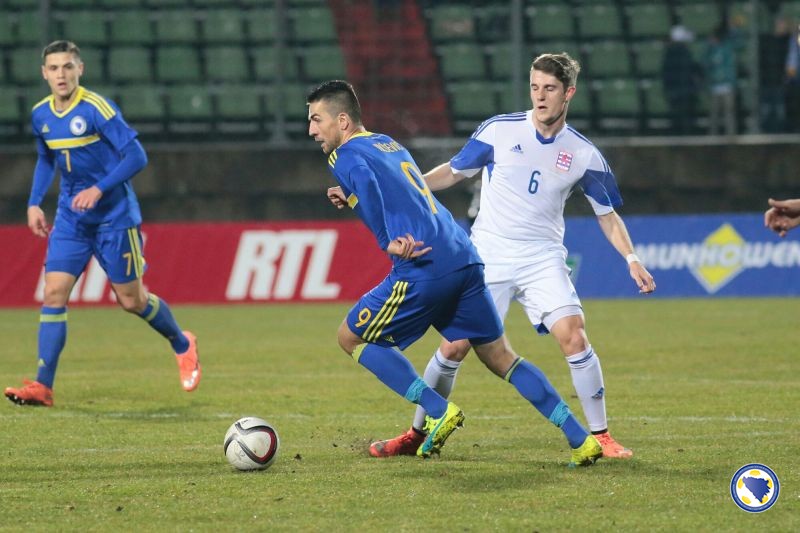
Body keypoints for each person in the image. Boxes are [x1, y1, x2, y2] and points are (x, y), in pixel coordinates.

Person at [368, 53, 656, 460]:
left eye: (550, 89)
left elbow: (608, 216)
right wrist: (407, 189)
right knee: (454, 346)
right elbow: (452, 171)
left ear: (569, 93)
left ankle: (602, 435)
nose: (540, 97)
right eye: (535, 87)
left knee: (574, 335)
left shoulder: (584, 154)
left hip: (542, 257)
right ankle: (417, 432)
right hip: (487, 254)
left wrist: (631, 259)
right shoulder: (499, 131)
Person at [313, 79, 603, 465]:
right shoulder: (387, 143)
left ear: (343, 121)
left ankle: (438, 410)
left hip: (423, 263)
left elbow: (368, 185)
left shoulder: (343, 155)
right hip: (463, 255)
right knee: (501, 356)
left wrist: (388, 240)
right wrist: (348, 196)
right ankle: (581, 439)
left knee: (351, 338)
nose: (312, 130)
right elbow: (402, 190)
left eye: (317, 120)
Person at [4, 41, 200, 407]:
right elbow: (46, 159)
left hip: (114, 217)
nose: (61, 74)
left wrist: (99, 187)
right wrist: (33, 203)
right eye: (54, 68)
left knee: (131, 300)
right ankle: (43, 386)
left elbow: (136, 155)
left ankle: (182, 342)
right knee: (53, 294)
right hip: (71, 218)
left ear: (80, 69)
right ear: (43, 73)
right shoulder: (40, 114)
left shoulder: (96, 108)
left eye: (67, 67)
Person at [661, 24, 700, 134]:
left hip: (676, 90)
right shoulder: (683, 52)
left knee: (677, 118)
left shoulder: (670, 52)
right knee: (685, 119)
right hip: (684, 91)